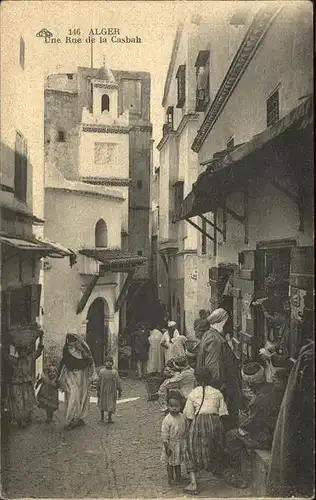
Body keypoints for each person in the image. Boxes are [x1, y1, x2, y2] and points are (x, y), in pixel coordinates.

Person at [223, 361, 285, 488]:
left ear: (250, 382)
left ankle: (237, 475)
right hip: (276, 431)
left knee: (231, 435)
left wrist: (242, 424)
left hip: (267, 438)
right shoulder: (274, 387)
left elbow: (252, 425)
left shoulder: (258, 400)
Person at [183, 367, 229, 495]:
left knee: (189, 450)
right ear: (210, 378)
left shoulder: (193, 393)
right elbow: (223, 412)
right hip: (215, 422)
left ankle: (193, 483)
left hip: (199, 421)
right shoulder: (217, 392)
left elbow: (188, 414)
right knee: (216, 447)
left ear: (197, 379)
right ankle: (218, 472)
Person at [195, 308, 243, 429]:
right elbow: (213, 369)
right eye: (227, 322)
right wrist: (220, 391)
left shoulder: (210, 335)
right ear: (221, 322)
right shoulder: (215, 340)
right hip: (221, 389)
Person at [56, 332, 96, 429]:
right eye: (69, 341)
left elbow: (90, 360)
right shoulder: (66, 351)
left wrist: (82, 350)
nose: (71, 343)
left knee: (83, 396)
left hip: (82, 377)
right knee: (73, 397)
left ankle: (79, 417)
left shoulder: (82, 351)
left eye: (73, 341)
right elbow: (65, 363)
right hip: (71, 376)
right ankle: (71, 420)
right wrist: (58, 378)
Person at [6, 331, 44, 427]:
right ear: (17, 352)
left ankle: (26, 419)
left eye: (24, 350)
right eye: (20, 351)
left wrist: (41, 337)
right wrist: (7, 341)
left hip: (27, 384)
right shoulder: (14, 360)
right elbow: (4, 355)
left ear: (27, 351)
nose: (22, 352)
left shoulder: (30, 358)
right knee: (18, 402)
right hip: (17, 384)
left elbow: (39, 350)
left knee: (27, 401)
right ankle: (19, 419)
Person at [161, 391, 187, 486]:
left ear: (181, 406)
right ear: (168, 406)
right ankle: (170, 478)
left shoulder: (182, 417)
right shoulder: (167, 420)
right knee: (170, 463)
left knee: (178, 462)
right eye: (171, 406)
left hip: (179, 443)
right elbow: (164, 435)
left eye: (176, 406)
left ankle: (178, 476)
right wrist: (167, 446)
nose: (174, 408)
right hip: (171, 444)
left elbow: (185, 429)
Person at [97, 356, 122, 424]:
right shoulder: (101, 372)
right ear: (104, 363)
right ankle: (102, 418)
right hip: (103, 391)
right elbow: (99, 382)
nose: (109, 363)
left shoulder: (115, 372)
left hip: (112, 391)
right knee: (102, 403)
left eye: (110, 361)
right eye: (107, 361)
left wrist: (119, 390)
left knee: (110, 404)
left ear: (112, 363)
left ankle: (109, 418)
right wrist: (98, 390)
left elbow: (118, 382)